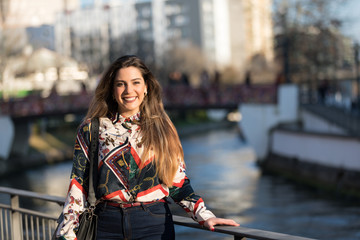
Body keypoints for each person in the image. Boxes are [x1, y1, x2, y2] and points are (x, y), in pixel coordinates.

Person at [55, 55, 239, 240]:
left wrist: (205, 216)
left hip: (154, 225)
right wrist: (67, 232)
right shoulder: (91, 129)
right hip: (105, 225)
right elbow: (78, 185)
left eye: (136, 82)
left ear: (146, 87)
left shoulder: (163, 129)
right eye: (121, 84)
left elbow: (177, 183)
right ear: (112, 89)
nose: (129, 90)